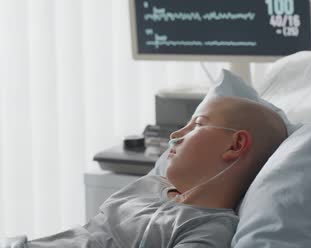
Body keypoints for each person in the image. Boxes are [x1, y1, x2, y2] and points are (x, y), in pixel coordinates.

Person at [27, 96, 288, 248]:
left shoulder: (207, 229)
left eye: (196, 125)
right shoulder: (151, 185)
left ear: (235, 144)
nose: (175, 135)